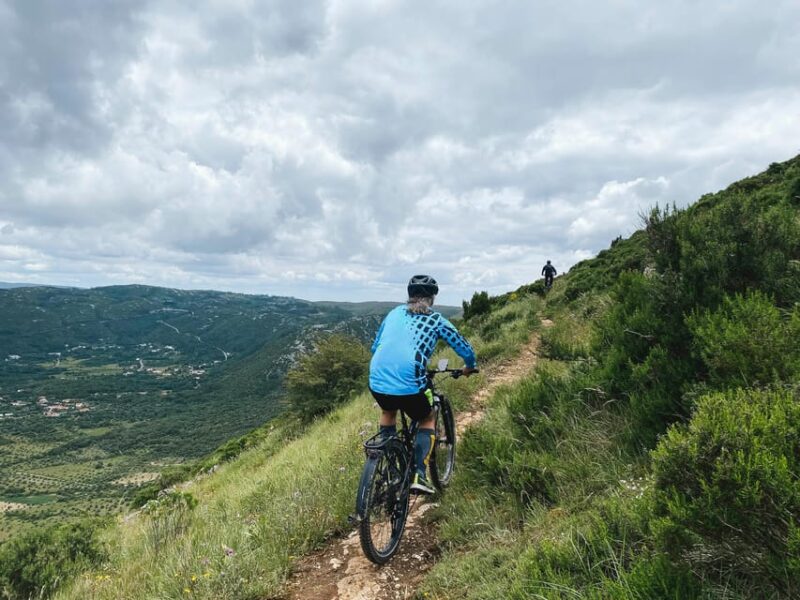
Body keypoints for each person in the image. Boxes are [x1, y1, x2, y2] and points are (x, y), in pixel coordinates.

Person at [369, 275, 477, 495]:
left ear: (409, 296)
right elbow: (463, 347)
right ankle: (420, 475)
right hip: (410, 382)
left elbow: (374, 347)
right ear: (432, 298)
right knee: (426, 417)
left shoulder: (393, 313)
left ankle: (391, 468)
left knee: (388, 411)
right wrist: (469, 366)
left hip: (377, 378)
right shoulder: (436, 320)